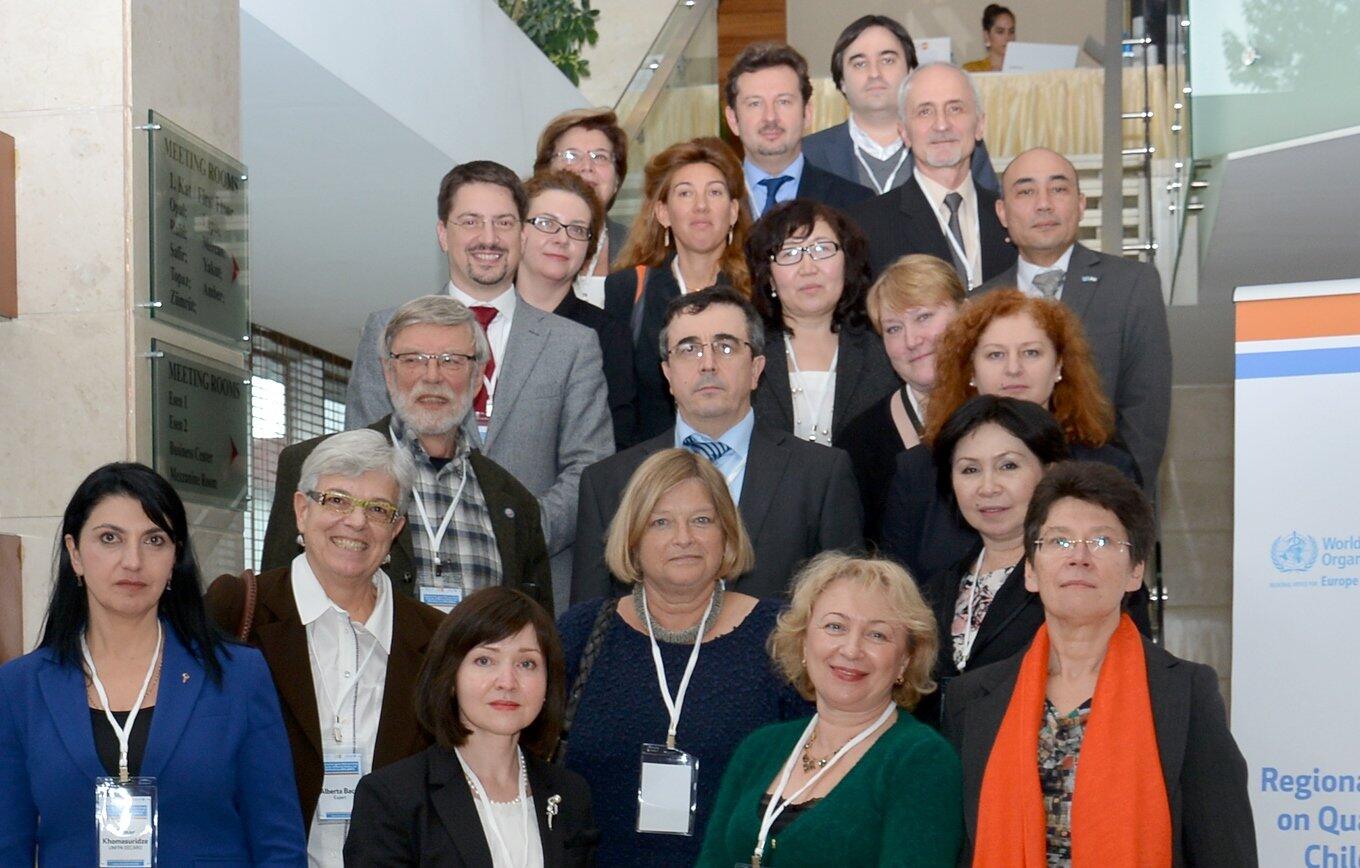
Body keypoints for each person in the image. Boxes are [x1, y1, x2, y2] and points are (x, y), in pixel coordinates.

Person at [943, 461, 1257, 865]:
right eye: (1058, 542)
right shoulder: (975, 698)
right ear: (1030, 571)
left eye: (1103, 541)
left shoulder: (1184, 693)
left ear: (1135, 571)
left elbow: (1224, 850)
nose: (1080, 557)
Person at [0, 463, 307, 864]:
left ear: (175, 557)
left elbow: (277, 842)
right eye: (110, 538)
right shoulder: (20, 687)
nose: (133, 561)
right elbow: (9, 846)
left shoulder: (238, 676)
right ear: (75, 554)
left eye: (154, 540)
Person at [345, 161, 613, 609]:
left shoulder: (574, 345)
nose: (488, 238)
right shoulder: (387, 332)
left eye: (503, 222)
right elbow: (366, 455)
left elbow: (589, 468)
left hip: (530, 589)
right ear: (442, 234)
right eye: (470, 221)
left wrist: (516, 532)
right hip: (402, 589)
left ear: (522, 235)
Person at [558, 448, 811, 867]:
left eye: (702, 520)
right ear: (633, 540)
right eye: (661, 522)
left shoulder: (781, 637)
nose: (684, 538)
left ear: (727, 534)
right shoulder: (580, 633)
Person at [208, 430, 445, 864]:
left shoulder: (437, 640)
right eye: (337, 500)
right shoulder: (237, 612)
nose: (356, 522)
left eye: (377, 509)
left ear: (395, 529)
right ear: (301, 510)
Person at [573, 286, 864, 603]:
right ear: (667, 375)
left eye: (725, 347)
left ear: (756, 369)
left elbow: (845, 606)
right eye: (688, 349)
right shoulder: (608, 483)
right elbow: (588, 629)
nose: (707, 364)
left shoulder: (821, 475)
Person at [265, 295, 553, 612]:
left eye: (451, 360)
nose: (431, 376)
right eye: (413, 359)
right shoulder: (314, 466)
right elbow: (275, 608)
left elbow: (535, 632)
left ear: (476, 379)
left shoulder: (514, 501)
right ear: (389, 373)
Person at [697, 553, 962, 866]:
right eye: (835, 626)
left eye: (877, 635)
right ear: (804, 641)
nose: (851, 649)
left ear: (905, 660)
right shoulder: (759, 748)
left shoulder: (921, 760)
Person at [882, 288, 1142, 584]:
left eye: (1031, 353)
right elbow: (897, 597)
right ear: (971, 370)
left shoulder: (1109, 468)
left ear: (1058, 366)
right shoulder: (919, 471)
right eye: (995, 355)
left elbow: (1126, 587)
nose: (1014, 369)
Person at [345, 587, 597, 865]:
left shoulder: (571, 794)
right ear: (451, 677)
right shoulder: (392, 798)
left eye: (527, 663)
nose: (507, 682)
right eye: (485, 660)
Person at [981, 147, 1172, 497]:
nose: (1043, 204)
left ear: (1081, 204)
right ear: (1002, 212)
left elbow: (1145, 416)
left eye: (1059, 189)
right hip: (1001, 506)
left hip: (1105, 501)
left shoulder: (1133, 285)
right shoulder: (978, 304)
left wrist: (1115, 505)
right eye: (1025, 191)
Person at [909, 396, 1070, 726]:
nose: (987, 487)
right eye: (969, 470)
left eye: (1008, 466)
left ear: (1050, 474)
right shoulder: (934, 591)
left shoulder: (1075, 578)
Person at [605, 137, 753, 441]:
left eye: (714, 192)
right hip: (652, 470)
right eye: (685, 193)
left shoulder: (759, 291)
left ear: (734, 211)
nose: (701, 206)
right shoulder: (629, 288)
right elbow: (618, 405)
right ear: (663, 213)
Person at [847, 62, 1016, 284]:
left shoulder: (1011, 218)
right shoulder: (867, 226)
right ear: (904, 132)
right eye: (925, 111)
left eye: (955, 108)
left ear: (979, 125)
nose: (942, 124)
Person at [836, 254, 966, 540]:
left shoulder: (1006, 411)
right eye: (894, 328)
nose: (912, 340)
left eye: (923, 317)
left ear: (965, 314)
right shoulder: (859, 442)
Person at [748, 199, 899, 444]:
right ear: (770, 278)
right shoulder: (747, 354)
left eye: (822, 249)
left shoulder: (882, 353)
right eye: (790, 253)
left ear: (846, 263)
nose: (808, 268)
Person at [802, 15, 1000, 195]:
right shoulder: (809, 154)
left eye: (887, 60)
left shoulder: (955, 142)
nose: (874, 73)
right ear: (842, 80)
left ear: (911, 71)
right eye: (860, 64)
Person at [518, 169, 638, 448]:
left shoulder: (607, 335)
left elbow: (616, 440)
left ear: (589, 247)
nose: (562, 239)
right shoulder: (480, 319)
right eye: (546, 223)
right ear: (517, 231)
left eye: (577, 229)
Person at [723, 42, 872, 217]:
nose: (770, 117)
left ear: (807, 113)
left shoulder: (856, 203)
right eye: (755, 104)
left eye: (783, 102)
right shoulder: (712, 204)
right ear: (733, 119)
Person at [534, 107, 631, 307]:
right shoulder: (522, 240)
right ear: (545, 172)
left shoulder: (640, 249)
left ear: (617, 180)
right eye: (571, 156)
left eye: (600, 157)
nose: (586, 166)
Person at [963, 5, 1017, 73]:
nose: (1008, 37)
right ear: (987, 36)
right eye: (1000, 32)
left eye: (1011, 31)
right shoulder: (972, 70)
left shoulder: (1026, 70)